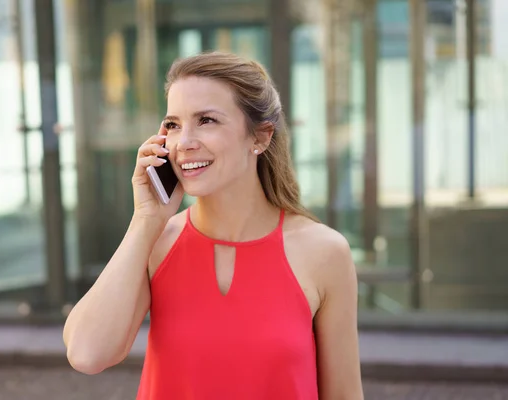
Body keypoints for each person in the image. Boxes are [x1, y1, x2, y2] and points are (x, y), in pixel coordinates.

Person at [63, 51, 363, 399]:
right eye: (173, 125)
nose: (184, 143)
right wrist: (145, 221)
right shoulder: (156, 242)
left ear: (261, 138)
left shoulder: (324, 252)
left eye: (206, 120)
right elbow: (87, 354)